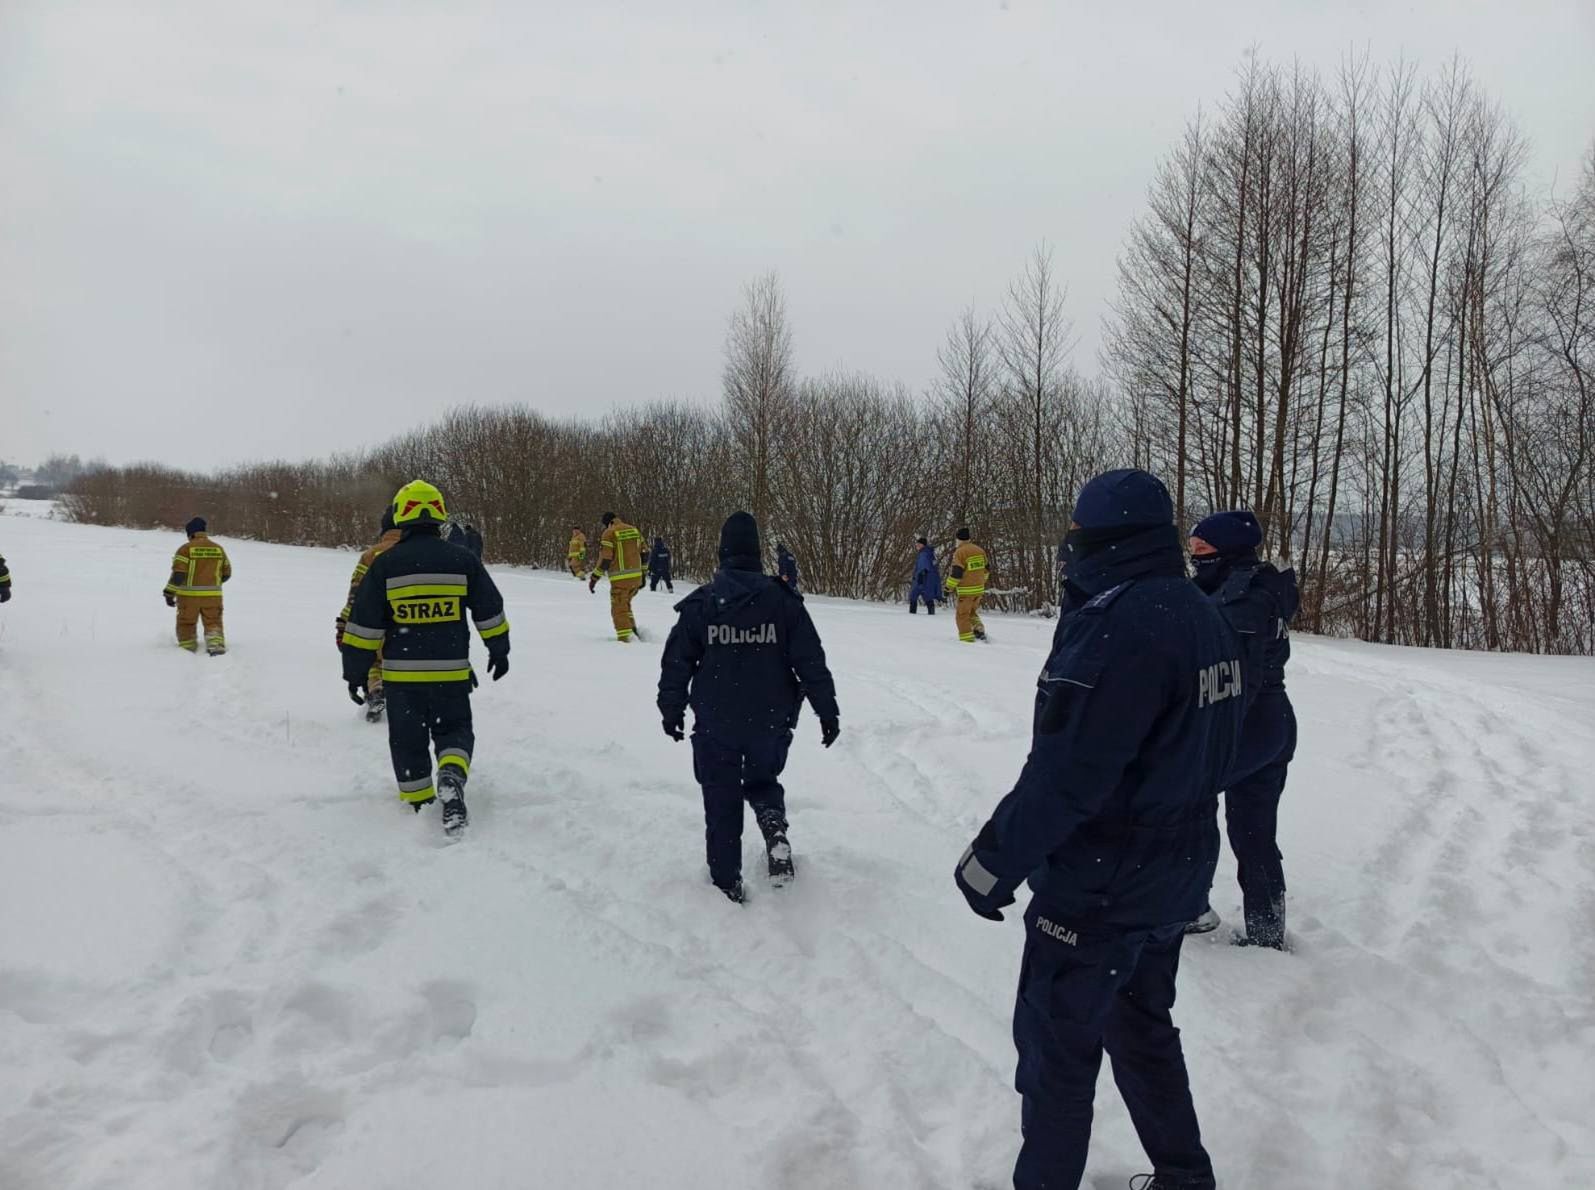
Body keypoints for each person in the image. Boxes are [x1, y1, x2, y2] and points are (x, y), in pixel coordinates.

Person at [953, 469, 1244, 1190]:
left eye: (1075, 539)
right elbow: (1251, 738)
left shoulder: (1119, 628)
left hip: (1100, 884)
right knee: (1141, 1027)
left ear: (1097, 541)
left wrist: (991, 862)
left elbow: (1069, 775)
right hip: (1174, 871)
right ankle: (1184, 1175)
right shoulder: (1201, 613)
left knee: (1057, 1058)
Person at [658, 512, 840, 904]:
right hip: (770, 720)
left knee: (721, 797)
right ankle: (773, 826)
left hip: (717, 722)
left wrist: (670, 709)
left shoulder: (703, 604)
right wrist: (828, 711)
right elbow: (810, 660)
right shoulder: (784, 602)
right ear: (758, 554)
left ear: (722, 552)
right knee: (762, 780)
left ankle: (727, 884)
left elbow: (677, 663)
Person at [340, 479, 510, 836]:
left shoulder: (385, 566)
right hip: (451, 674)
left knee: (407, 741)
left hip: (402, 679)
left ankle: (419, 805)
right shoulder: (462, 560)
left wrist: (355, 671)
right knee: (454, 730)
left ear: (401, 515)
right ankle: (451, 773)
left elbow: (364, 624)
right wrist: (499, 648)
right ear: (439, 515)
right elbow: (489, 609)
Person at [1185, 510, 1299, 950]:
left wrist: (1211, 733)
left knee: (1186, 802)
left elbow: (1240, 677)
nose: (1195, 559)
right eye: (1192, 551)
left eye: (1202, 551)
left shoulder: (1244, 597)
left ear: (1227, 550)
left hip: (1250, 724)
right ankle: (1267, 933)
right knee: (1253, 830)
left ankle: (1190, 907)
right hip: (1273, 723)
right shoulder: (1252, 585)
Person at [336, 509, 404, 723]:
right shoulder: (414, 551)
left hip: (375, 620)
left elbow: (354, 595)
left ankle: (376, 689)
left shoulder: (370, 555)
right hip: (409, 621)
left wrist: (343, 625)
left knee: (375, 660)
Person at [164, 517, 232, 655]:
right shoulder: (218, 549)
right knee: (213, 622)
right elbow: (227, 573)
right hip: (213, 597)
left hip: (188, 598)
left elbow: (178, 575)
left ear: (190, 533)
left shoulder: (185, 549)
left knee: (186, 623)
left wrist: (169, 593)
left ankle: (187, 649)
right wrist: (211, 583)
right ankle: (216, 646)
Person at [588, 511, 647, 641]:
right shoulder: (634, 530)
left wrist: (594, 578)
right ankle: (633, 631)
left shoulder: (609, 533)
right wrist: (643, 574)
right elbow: (644, 553)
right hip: (636, 578)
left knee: (618, 609)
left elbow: (606, 559)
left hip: (621, 580)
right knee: (625, 605)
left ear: (608, 523)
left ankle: (626, 638)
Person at [945, 527, 989, 642]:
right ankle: (979, 629)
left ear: (958, 539)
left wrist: (948, 588)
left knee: (962, 615)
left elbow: (956, 574)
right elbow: (987, 569)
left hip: (966, 591)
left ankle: (967, 640)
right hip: (979, 589)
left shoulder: (960, 552)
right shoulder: (979, 550)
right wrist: (981, 582)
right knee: (972, 612)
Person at [909, 536, 941, 615]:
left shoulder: (924, 554)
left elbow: (924, 565)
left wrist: (921, 574)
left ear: (923, 545)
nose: (917, 546)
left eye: (918, 544)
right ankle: (931, 613)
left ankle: (912, 614)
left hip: (923, 578)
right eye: (917, 544)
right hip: (929, 579)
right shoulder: (930, 553)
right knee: (928, 596)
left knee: (913, 595)